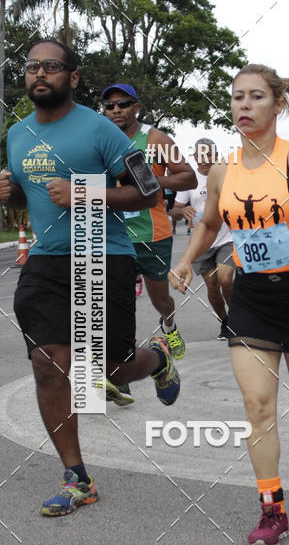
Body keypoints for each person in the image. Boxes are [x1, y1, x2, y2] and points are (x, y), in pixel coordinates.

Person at [170, 63, 289, 545]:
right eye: (237, 97)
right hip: (253, 299)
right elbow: (210, 224)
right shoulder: (222, 171)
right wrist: (187, 259)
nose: (244, 106)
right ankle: (271, 510)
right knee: (258, 407)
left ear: (278, 105)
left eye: (256, 97)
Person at [0, 40, 181, 516]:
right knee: (47, 364)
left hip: (103, 256)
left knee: (109, 370)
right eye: (32, 66)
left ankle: (157, 358)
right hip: (45, 262)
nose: (40, 74)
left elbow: (149, 191)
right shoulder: (17, 134)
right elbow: (30, 195)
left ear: (73, 78)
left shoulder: (101, 128)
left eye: (52, 67)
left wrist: (84, 189)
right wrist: (9, 192)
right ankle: (77, 477)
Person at [102, 83, 196, 361]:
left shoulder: (155, 139)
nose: (116, 110)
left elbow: (188, 177)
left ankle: (169, 325)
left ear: (136, 107)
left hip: (152, 234)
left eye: (123, 104)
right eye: (110, 106)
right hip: (113, 234)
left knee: (160, 299)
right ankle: (123, 358)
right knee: (119, 302)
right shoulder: (99, 139)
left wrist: (156, 181)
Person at [171, 138, 235, 340]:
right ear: (195, 157)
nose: (204, 159)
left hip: (227, 237)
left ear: (216, 155)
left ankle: (239, 320)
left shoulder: (226, 174)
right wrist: (183, 211)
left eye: (209, 155)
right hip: (203, 240)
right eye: (200, 155)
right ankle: (225, 321)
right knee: (212, 286)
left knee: (225, 278)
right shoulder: (190, 180)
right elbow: (174, 210)